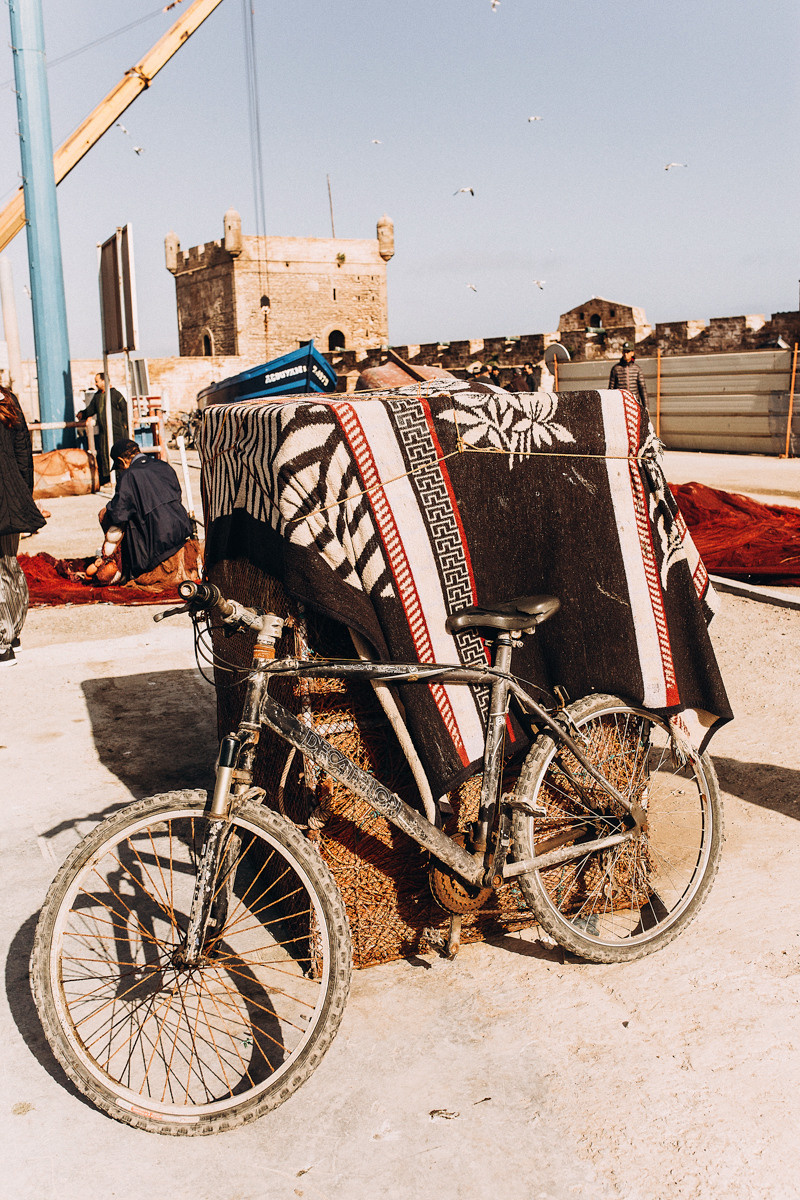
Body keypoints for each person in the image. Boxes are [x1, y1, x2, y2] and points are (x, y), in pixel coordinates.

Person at [91, 439, 194, 584]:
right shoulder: (164, 466)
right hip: (180, 533)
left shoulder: (129, 476)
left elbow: (118, 514)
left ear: (121, 461)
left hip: (157, 544)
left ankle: (124, 568)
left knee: (107, 515)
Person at [0, 385, 46, 663]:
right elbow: (23, 455)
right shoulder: (7, 399)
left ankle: (3, 643)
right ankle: (13, 632)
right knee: (8, 564)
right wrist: (23, 496)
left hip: (8, 496)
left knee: (3, 567)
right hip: (12, 495)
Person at [76, 372, 129, 486]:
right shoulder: (98, 396)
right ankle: (108, 478)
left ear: (104, 381)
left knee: (119, 454)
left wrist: (125, 426)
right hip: (104, 433)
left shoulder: (115, 395)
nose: (95, 383)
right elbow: (91, 410)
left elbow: (125, 410)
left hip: (117, 432)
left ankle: (121, 478)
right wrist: (83, 414)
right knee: (105, 454)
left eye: (97, 381)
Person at [608, 342, 649, 409]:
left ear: (632, 353)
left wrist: (646, 407)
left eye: (628, 352)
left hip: (634, 403)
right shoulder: (616, 369)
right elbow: (611, 389)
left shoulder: (637, 369)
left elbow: (642, 388)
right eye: (624, 351)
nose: (626, 354)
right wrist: (610, 405)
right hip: (620, 404)